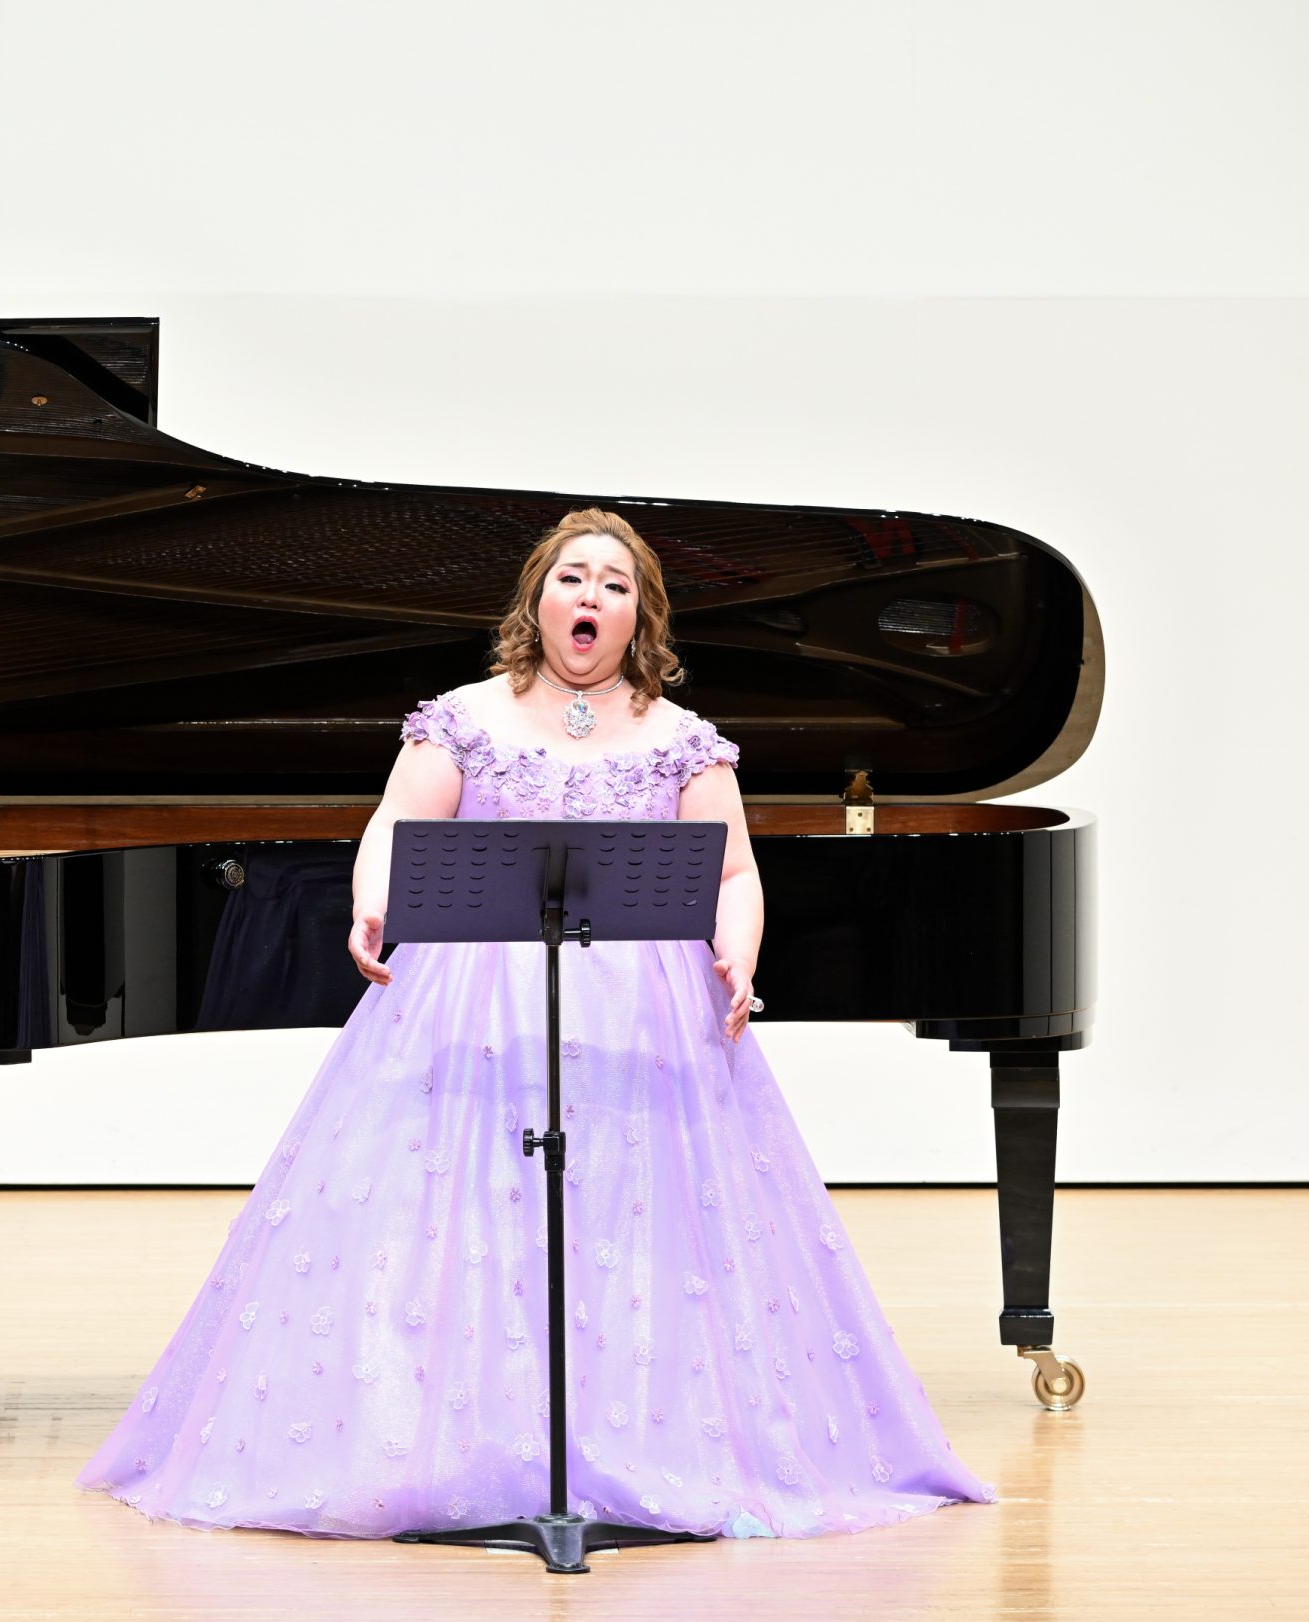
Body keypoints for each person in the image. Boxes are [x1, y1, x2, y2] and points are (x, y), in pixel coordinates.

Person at [78, 510, 993, 1538]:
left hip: (644, 1019)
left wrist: (738, 955)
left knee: (634, 1225)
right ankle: (453, 1443)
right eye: (572, 577)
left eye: (615, 582)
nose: (591, 594)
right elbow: (396, 825)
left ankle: (637, 1440)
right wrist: (371, 902)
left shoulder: (684, 738)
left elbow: (733, 870)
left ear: (640, 614)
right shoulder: (464, 717)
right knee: (459, 1216)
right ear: (538, 600)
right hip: (471, 1009)